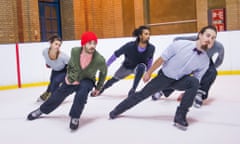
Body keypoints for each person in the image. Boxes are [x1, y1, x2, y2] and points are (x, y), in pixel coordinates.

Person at [108, 25, 217, 131]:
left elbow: (197, 79)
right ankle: (117, 110)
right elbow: (162, 59)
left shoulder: (205, 61)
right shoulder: (180, 44)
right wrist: (149, 72)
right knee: (142, 94)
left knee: (193, 82)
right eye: (208, 35)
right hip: (164, 77)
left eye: (213, 38)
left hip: (179, 81)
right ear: (200, 35)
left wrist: (188, 93)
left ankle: (180, 116)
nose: (210, 39)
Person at [27, 32, 107, 131]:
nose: (92, 46)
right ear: (83, 43)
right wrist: (69, 78)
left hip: (87, 80)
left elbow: (104, 72)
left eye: (94, 43)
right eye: (89, 43)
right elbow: (71, 65)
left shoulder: (99, 59)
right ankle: (41, 110)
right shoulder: (75, 51)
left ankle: (75, 117)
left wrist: (98, 88)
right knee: (58, 94)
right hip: (73, 78)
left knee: (81, 94)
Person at [152, 34, 224, 108]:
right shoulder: (194, 39)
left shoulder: (218, 46)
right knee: (180, 74)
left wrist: (212, 67)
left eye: (212, 37)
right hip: (192, 58)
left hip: (206, 61)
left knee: (212, 72)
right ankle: (163, 90)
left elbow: (220, 59)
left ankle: (199, 93)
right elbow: (176, 39)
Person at [94, 25, 155, 97]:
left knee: (141, 66)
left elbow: (150, 60)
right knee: (114, 79)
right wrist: (106, 65)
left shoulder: (151, 48)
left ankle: (133, 90)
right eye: (146, 34)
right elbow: (116, 55)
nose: (148, 36)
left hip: (139, 68)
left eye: (149, 34)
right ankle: (102, 89)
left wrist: (149, 72)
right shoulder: (129, 46)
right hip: (127, 66)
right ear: (140, 35)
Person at [37, 35, 69, 102]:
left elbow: (72, 65)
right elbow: (47, 60)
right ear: (50, 43)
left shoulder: (63, 56)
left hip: (65, 70)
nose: (57, 46)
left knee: (56, 81)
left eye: (59, 45)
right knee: (51, 82)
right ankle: (47, 93)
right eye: (56, 44)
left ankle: (54, 96)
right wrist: (48, 64)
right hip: (55, 70)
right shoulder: (44, 51)